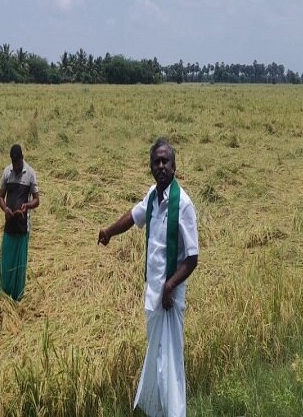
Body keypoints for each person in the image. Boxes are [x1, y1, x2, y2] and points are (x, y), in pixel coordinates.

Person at [98, 138, 198, 417]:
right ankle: (156, 408)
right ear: (151, 167)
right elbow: (132, 217)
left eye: (166, 161)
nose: (162, 165)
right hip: (153, 292)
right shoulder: (153, 197)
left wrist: (170, 285)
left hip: (170, 295)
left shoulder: (184, 205)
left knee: (171, 357)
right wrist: (108, 232)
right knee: (156, 353)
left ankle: (175, 411)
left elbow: (192, 257)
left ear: (175, 167)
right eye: (157, 161)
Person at [0, 144, 40, 301]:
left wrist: (26, 206)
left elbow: (37, 200)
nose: (15, 167)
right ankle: (3, 292)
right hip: (9, 224)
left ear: (22, 158)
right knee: (6, 260)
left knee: (19, 264)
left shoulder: (30, 173)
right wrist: (6, 208)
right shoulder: (7, 172)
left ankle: (17, 296)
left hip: (22, 227)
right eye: (13, 164)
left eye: (18, 164)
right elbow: (1, 196)